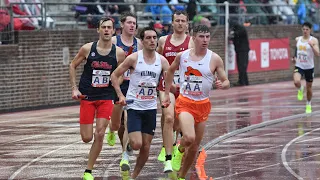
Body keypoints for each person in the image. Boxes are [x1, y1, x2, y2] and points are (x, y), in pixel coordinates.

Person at [162, 25, 230, 180]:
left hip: (203, 105)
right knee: (189, 137)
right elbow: (170, 71)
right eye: (201, 36)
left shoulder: (215, 59)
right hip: (185, 102)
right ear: (193, 38)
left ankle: (181, 176)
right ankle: (178, 151)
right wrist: (167, 93)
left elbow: (226, 81)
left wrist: (222, 85)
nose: (205, 40)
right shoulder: (183, 56)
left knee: (194, 148)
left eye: (207, 37)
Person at [69, 17, 126, 180]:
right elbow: (72, 65)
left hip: (106, 96)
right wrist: (74, 88)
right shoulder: (88, 49)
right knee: (86, 138)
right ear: (98, 30)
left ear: (114, 31)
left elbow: (121, 75)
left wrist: (115, 82)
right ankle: (106, 128)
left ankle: (88, 171)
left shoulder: (118, 53)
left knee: (99, 133)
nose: (107, 30)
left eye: (110, 27)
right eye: (104, 27)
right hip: (87, 95)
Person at [110, 27, 170, 179]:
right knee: (137, 144)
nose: (152, 41)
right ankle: (129, 147)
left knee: (146, 147)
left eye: (154, 38)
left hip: (150, 107)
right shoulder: (133, 58)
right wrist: (120, 95)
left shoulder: (162, 61)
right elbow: (114, 76)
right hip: (134, 105)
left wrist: (167, 94)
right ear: (142, 41)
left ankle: (133, 176)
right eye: (148, 38)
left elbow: (169, 79)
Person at [156, 10, 194, 173]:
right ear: (172, 23)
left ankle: (171, 143)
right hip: (166, 86)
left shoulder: (192, 42)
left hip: (185, 88)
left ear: (187, 23)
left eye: (182, 21)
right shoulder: (163, 40)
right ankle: (168, 158)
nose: (180, 23)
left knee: (177, 123)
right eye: (177, 20)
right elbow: (156, 61)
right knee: (169, 117)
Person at [106, 11, 143, 173]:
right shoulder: (114, 41)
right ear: (121, 25)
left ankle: (124, 156)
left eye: (134, 23)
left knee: (129, 121)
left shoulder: (140, 44)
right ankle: (111, 129)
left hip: (133, 87)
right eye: (129, 23)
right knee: (116, 124)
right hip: (116, 85)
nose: (132, 26)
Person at [292, 22, 319, 113]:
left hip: (309, 67)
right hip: (299, 65)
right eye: (303, 29)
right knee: (296, 81)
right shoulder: (298, 39)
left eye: (307, 29)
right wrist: (294, 57)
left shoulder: (314, 40)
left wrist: (312, 46)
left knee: (309, 88)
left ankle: (308, 103)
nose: (305, 31)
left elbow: (318, 54)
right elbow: (296, 49)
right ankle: (300, 89)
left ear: (310, 30)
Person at [230, 22, 250, 86]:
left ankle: (243, 81)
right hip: (239, 50)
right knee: (240, 66)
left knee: (242, 66)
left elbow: (237, 34)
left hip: (243, 50)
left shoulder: (241, 29)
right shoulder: (237, 29)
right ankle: (244, 81)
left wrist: (232, 34)